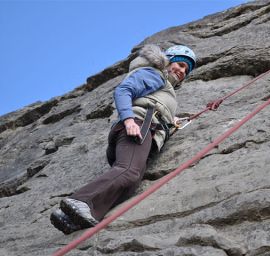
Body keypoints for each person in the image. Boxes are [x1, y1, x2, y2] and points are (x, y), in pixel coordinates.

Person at [50, 44, 197, 234]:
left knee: (130, 183)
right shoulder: (155, 74)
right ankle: (81, 201)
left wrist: (171, 121)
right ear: (168, 61)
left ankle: (71, 217)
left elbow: (155, 107)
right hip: (138, 126)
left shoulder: (165, 87)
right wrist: (129, 121)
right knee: (128, 171)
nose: (182, 70)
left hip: (146, 130)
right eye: (179, 64)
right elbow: (123, 91)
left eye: (186, 69)